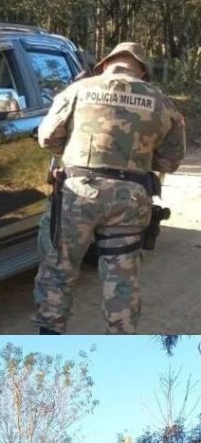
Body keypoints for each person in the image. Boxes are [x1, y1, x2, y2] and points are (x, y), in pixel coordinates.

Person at [33, 41, 186, 334]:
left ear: (105, 65)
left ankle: (49, 335)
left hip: (77, 195)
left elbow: (47, 138)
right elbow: (170, 160)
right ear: (142, 71)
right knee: (122, 278)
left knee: (58, 269)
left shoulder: (78, 90)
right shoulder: (161, 101)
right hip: (130, 200)